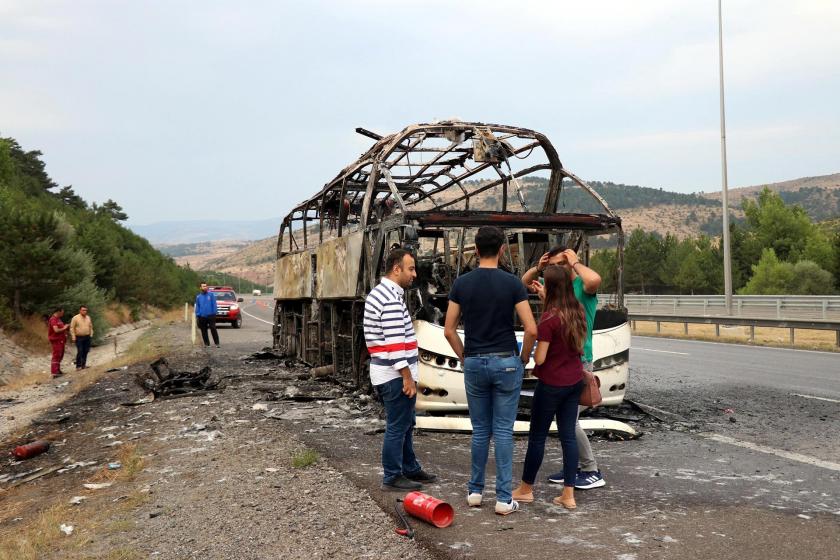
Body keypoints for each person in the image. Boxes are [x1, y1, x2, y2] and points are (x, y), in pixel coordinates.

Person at [444, 226, 537, 515]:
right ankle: (503, 498)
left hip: (474, 360)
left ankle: (474, 492)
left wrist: (464, 357)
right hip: (506, 361)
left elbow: (449, 330)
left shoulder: (462, 283)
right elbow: (531, 329)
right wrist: (522, 359)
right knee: (503, 431)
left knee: (480, 429)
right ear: (501, 250)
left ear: (475, 248)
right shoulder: (512, 284)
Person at [522, 247, 605, 489]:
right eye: (552, 265)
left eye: (560, 263)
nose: (555, 268)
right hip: (565, 359)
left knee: (570, 424)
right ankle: (574, 470)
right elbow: (525, 282)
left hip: (579, 358)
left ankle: (590, 469)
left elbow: (594, 280)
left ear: (570, 263)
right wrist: (539, 267)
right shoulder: (558, 289)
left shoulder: (581, 287)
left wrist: (575, 262)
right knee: (566, 423)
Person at [511, 265, 587, 509]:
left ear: (551, 288)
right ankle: (568, 495)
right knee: (568, 437)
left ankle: (526, 488)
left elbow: (541, 358)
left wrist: (530, 359)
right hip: (574, 382)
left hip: (551, 384)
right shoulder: (578, 312)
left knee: (537, 438)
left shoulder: (549, 320)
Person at [364, 249, 437, 491]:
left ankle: (410, 467)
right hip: (395, 375)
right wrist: (407, 377)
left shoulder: (382, 294)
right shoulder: (390, 299)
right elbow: (395, 345)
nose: (414, 274)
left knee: (405, 422)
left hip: (389, 372)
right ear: (397, 269)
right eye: (411, 268)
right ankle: (393, 476)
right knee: (397, 425)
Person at [195, 282, 220, 348]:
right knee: (203, 330)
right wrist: (198, 314)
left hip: (211, 315)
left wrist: (214, 313)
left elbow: (214, 304)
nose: (205, 287)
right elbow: (197, 306)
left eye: (206, 286)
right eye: (203, 286)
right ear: (200, 288)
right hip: (202, 316)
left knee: (213, 328)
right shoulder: (198, 297)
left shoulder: (211, 295)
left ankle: (217, 343)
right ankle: (207, 344)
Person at [47, 307, 69, 377]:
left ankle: (58, 370)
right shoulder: (53, 319)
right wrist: (65, 327)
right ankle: (54, 372)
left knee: (60, 355)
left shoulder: (58, 319)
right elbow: (56, 330)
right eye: (62, 312)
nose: (63, 314)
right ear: (58, 312)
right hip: (56, 340)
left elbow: (61, 328)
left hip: (61, 340)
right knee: (56, 355)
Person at [70, 305, 94, 370]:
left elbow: (91, 326)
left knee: (86, 351)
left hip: (87, 337)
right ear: (80, 310)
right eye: (83, 310)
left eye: (86, 310)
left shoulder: (88, 317)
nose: (85, 311)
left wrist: (91, 334)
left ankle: (83, 365)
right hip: (79, 337)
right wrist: (73, 337)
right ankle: (78, 366)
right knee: (80, 351)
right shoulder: (75, 318)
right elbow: (72, 328)